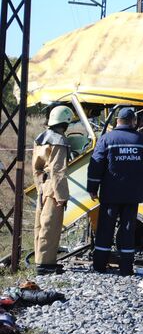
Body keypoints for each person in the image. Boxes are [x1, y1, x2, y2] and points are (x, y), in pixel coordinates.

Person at [86, 108, 143, 275]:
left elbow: (96, 164)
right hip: (132, 193)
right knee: (128, 229)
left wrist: (92, 187)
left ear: (117, 120)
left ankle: (99, 265)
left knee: (105, 228)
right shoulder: (142, 140)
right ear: (133, 121)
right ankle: (126, 268)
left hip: (110, 193)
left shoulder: (107, 139)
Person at [32, 105, 74, 275]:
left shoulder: (40, 138)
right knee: (51, 226)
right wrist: (62, 196)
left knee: (40, 225)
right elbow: (58, 171)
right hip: (53, 188)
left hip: (43, 185)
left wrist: (39, 187)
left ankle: (39, 260)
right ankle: (46, 264)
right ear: (66, 122)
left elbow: (36, 168)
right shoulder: (60, 140)